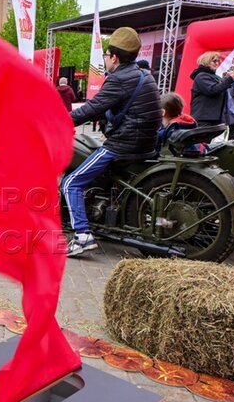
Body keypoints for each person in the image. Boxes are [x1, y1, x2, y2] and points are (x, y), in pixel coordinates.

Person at [62, 27, 161, 257]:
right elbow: (101, 109)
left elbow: (92, 108)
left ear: (114, 57)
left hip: (124, 143)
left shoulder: (119, 79)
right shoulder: (143, 74)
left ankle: (82, 236)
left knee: (70, 182)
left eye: (106, 55)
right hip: (145, 142)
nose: (105, 59)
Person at [188, 52, 234, 126]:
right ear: (206, 61)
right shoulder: (201, 76)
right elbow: (214, 90)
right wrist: (231, 78)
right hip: (204, 118)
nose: (217, 63)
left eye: (218, 61)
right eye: (214, 61)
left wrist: (227, 78)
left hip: (215, 117)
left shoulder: (213, 76)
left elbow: (220, 87)